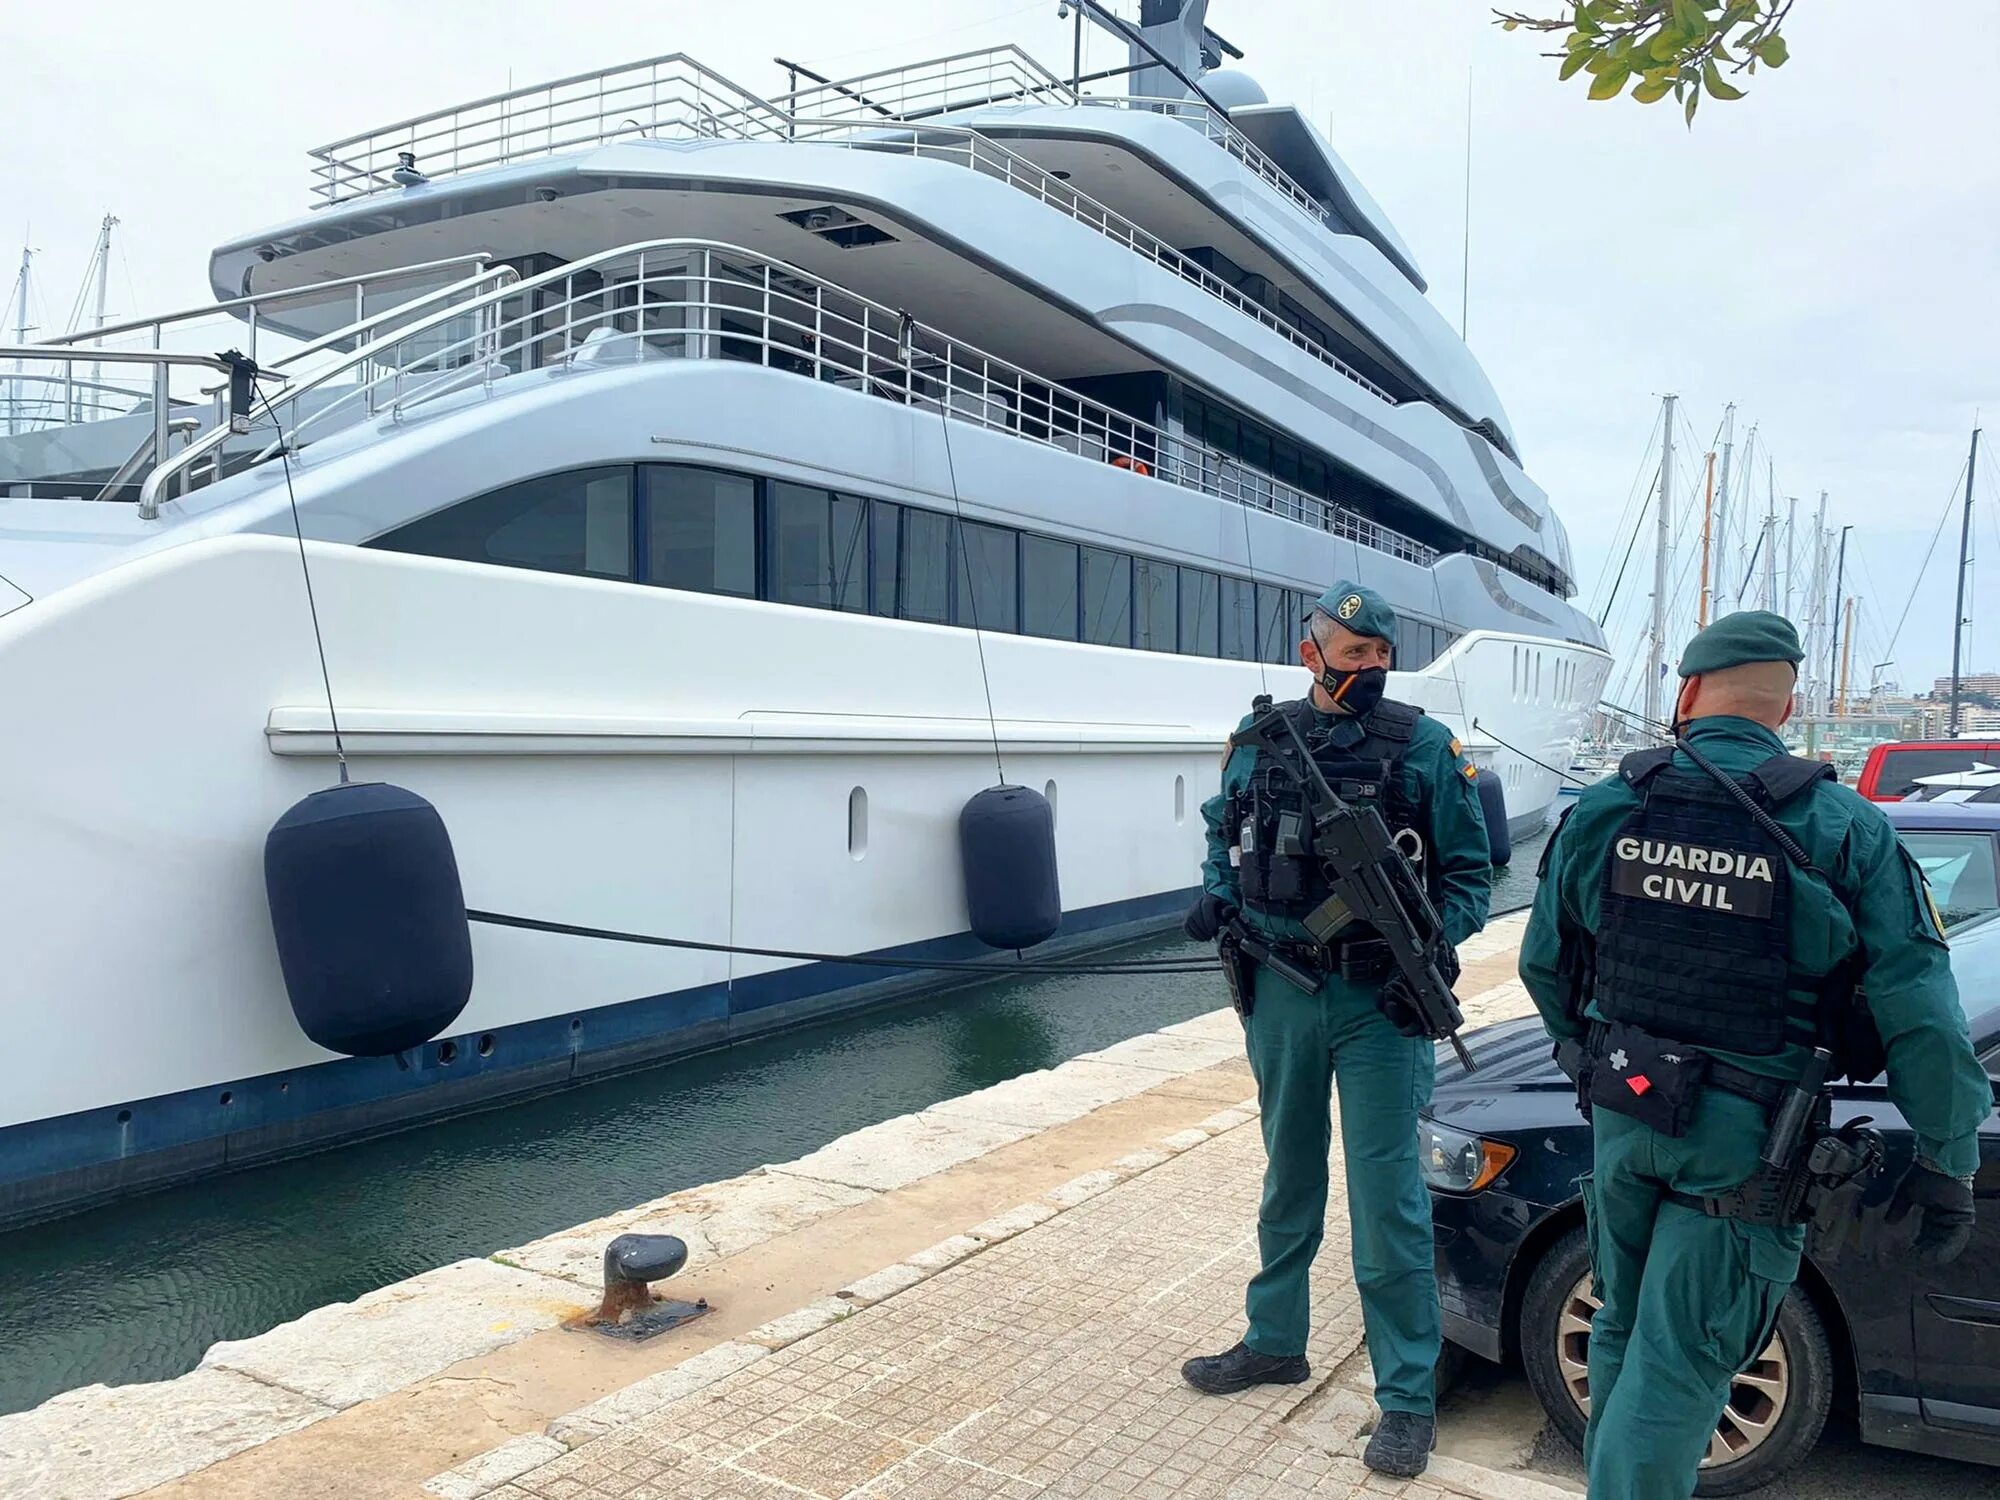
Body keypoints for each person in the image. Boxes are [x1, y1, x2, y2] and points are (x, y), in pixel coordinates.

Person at [1519, 610, 1991, 1500]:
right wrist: (1949, 1158)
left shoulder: (1610, 807)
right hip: (1746, 1148)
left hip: (1627, 1114)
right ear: (1788, 705)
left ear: (1689, 692)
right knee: (1682, 1371)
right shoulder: (1840, 826)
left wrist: (1595, 1061)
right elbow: (1922, 1014)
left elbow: (1545, 966)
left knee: (1623, 1332)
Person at [1179, 580, 1492, 1478]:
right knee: (1288, 1172)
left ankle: (1405, 1397)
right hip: (1279, 989)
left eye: (1380, 658)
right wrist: (1217, 895)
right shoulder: (1257, 740)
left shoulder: (1426, 749)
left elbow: (1471, 876)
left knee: (1387, 1199)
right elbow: (1223, 831)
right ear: (1311, 651)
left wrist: (1425, 952)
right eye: (1352, 655)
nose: (1368, 671)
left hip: (1377, 1005)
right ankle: (1275, 1339)